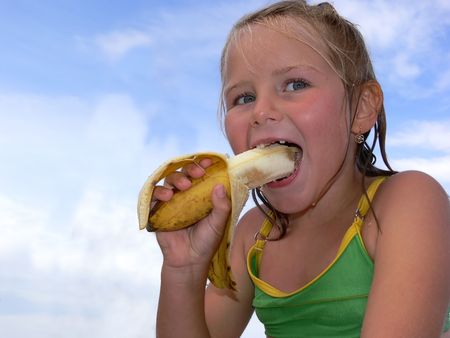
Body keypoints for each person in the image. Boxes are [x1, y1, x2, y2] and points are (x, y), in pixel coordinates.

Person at [152, 1, 450, 337]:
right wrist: (185, 269)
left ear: (362, 109)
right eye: (244, 98)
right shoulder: (253, 237)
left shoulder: (407, 203)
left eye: (295, 84)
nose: (261, 112)